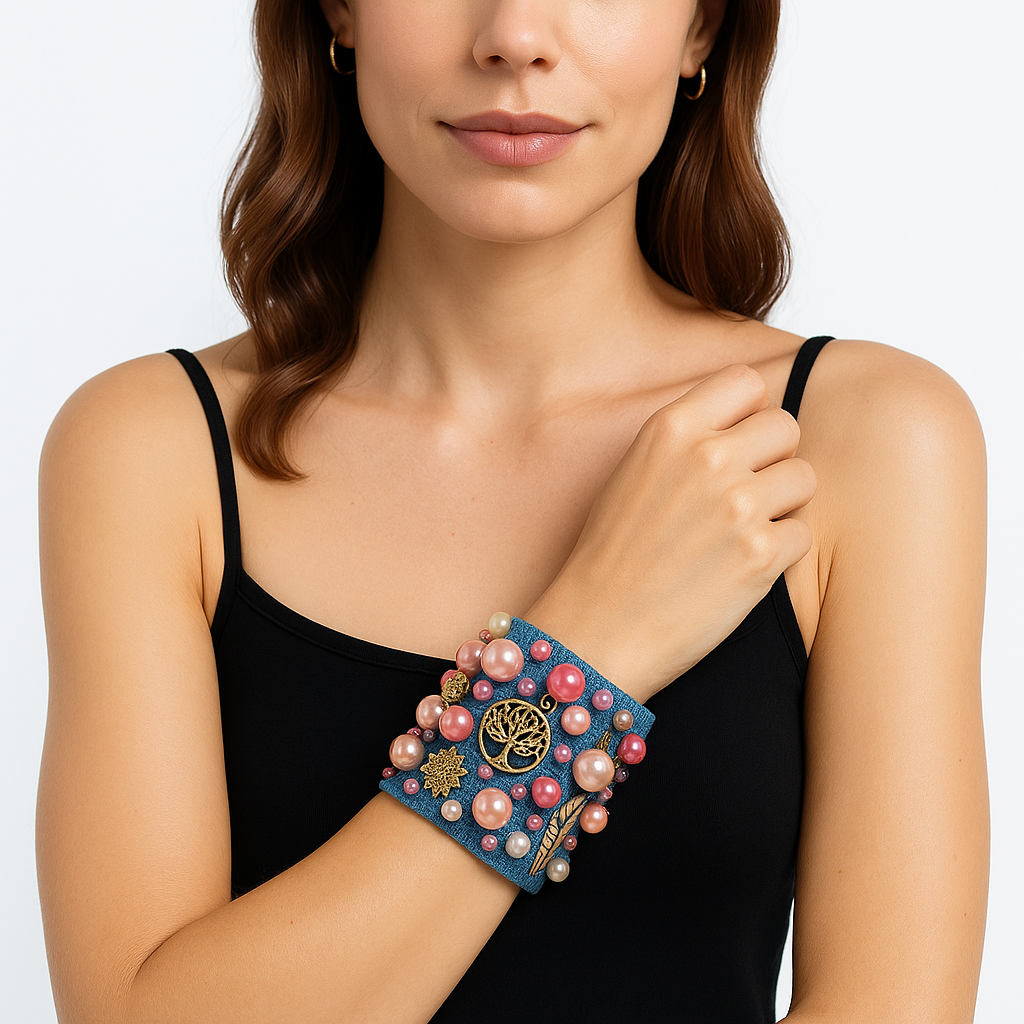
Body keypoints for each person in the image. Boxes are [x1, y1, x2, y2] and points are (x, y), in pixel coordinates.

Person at [35, 0, 988, 1021]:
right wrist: (590, 646)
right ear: (340, 12)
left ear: (703, 29)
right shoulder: (152, 450)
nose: (516, 37)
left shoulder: (863, 442)